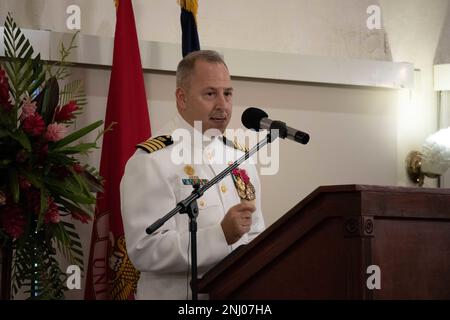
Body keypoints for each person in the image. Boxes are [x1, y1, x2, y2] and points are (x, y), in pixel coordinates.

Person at [120, 50, 265, 300]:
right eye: (210, 94)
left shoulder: (240, 158)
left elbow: (256, 234)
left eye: (227, 94)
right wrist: (220, 236)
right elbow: (144, 248)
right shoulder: (153, 160)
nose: (223, 105)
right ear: (182, 98)